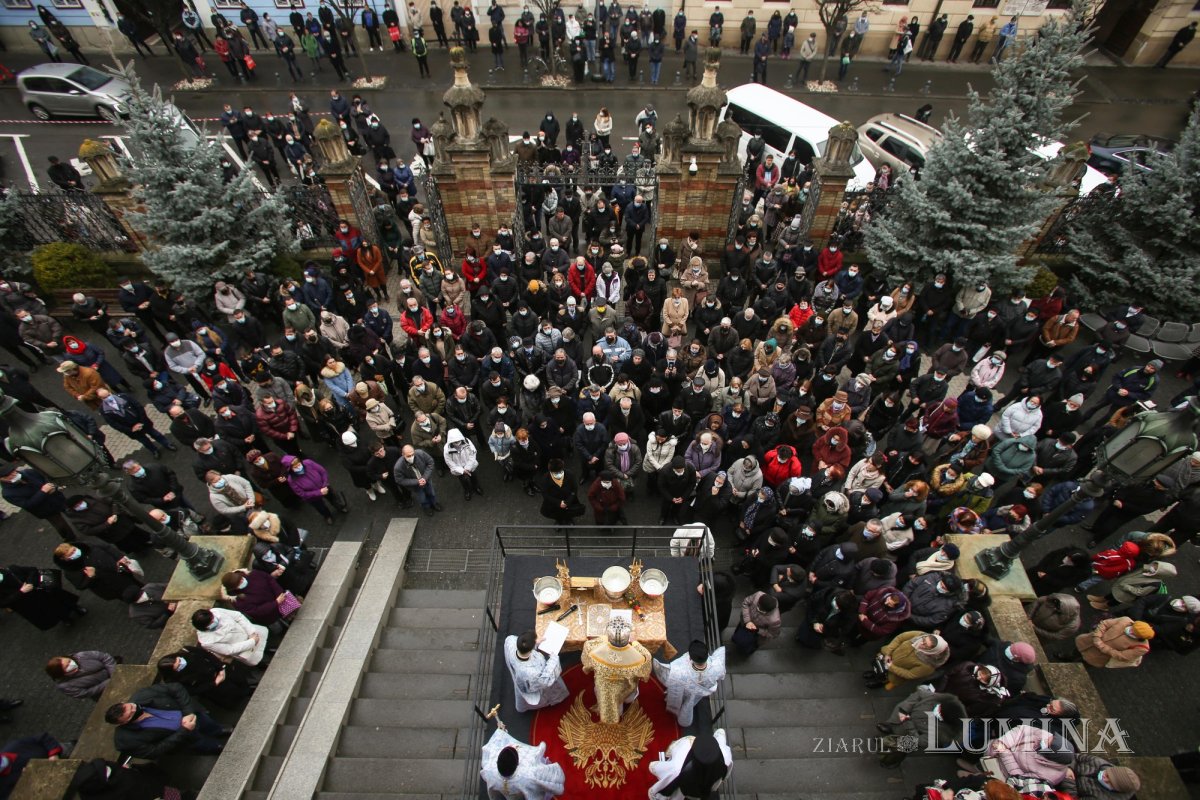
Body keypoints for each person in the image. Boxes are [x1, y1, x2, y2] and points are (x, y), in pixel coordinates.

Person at [104, 683, 231, 759]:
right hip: (186, 740)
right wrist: (184, 731)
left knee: (209, 724)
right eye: (131, 714)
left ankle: (219, 730)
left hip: (195, 717)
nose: (135, 709)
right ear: (123, 723)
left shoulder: (142, 695)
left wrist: (188, 712)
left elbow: (176, 688)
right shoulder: (126, 740)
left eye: (131, 706)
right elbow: (154, 752)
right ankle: (220, 748)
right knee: (205, 745)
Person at [581, 618, 652, 723]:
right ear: (628, 637)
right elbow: (645, 673)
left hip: (603, 687)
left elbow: (587, 664)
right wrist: (635, 642)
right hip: (625, 688)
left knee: (603, 695)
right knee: (627, 698)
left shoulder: (592, 648)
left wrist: (603, 639)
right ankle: (625, 702)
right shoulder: (641, 658)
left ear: (609, 636)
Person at [479, 723, 565, 800]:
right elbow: (553, 780)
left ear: (497, 762)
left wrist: (501, 731)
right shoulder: (529, 773)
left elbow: (493, 745)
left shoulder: (488, 769)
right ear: (517, 764)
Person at [652, 639, 726, 726]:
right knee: (692, 700)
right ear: (707, 654)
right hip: (699, 694)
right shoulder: (717, 667)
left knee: (686, 697)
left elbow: (667, 677)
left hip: (684, 692)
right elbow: (720, 658)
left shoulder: (680, 670)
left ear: (690, 657)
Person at [648, 730, 733, 800]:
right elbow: (720, 732)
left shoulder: (679, 765)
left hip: (683, 790)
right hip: (706, 788)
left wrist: (652, 765)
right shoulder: (725, 756)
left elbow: (658, 769)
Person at [503, 629, 568, 712]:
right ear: (530, 650)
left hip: (521, 678)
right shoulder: (531, 673)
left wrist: (535, 643)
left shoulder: (511, 641)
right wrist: (553, 658)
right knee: (550, 691)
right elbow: (545, 681)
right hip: (532, 685)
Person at [192, 606, 269, 666]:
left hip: (251, 633)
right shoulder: (206, 642)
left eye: (213, 618)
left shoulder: (216, 611)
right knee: (260, 658)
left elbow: (238, 616)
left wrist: (251, 632)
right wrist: (252, 642)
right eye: (211, 622)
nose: (214, 621)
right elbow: (229, 649)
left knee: (266, 643)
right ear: (205, 627)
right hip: (244, 648)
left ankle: (270, 649)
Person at [45, 651, 117, 701]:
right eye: (67, 666)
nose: (71, 663)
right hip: (106, 692)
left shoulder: (80, 656)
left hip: (115, 674)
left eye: (69, 661)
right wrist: (110, 682)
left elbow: (104, 657)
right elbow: (86, 693)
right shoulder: (65, 685)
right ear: (62, 673)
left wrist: (114, 674)